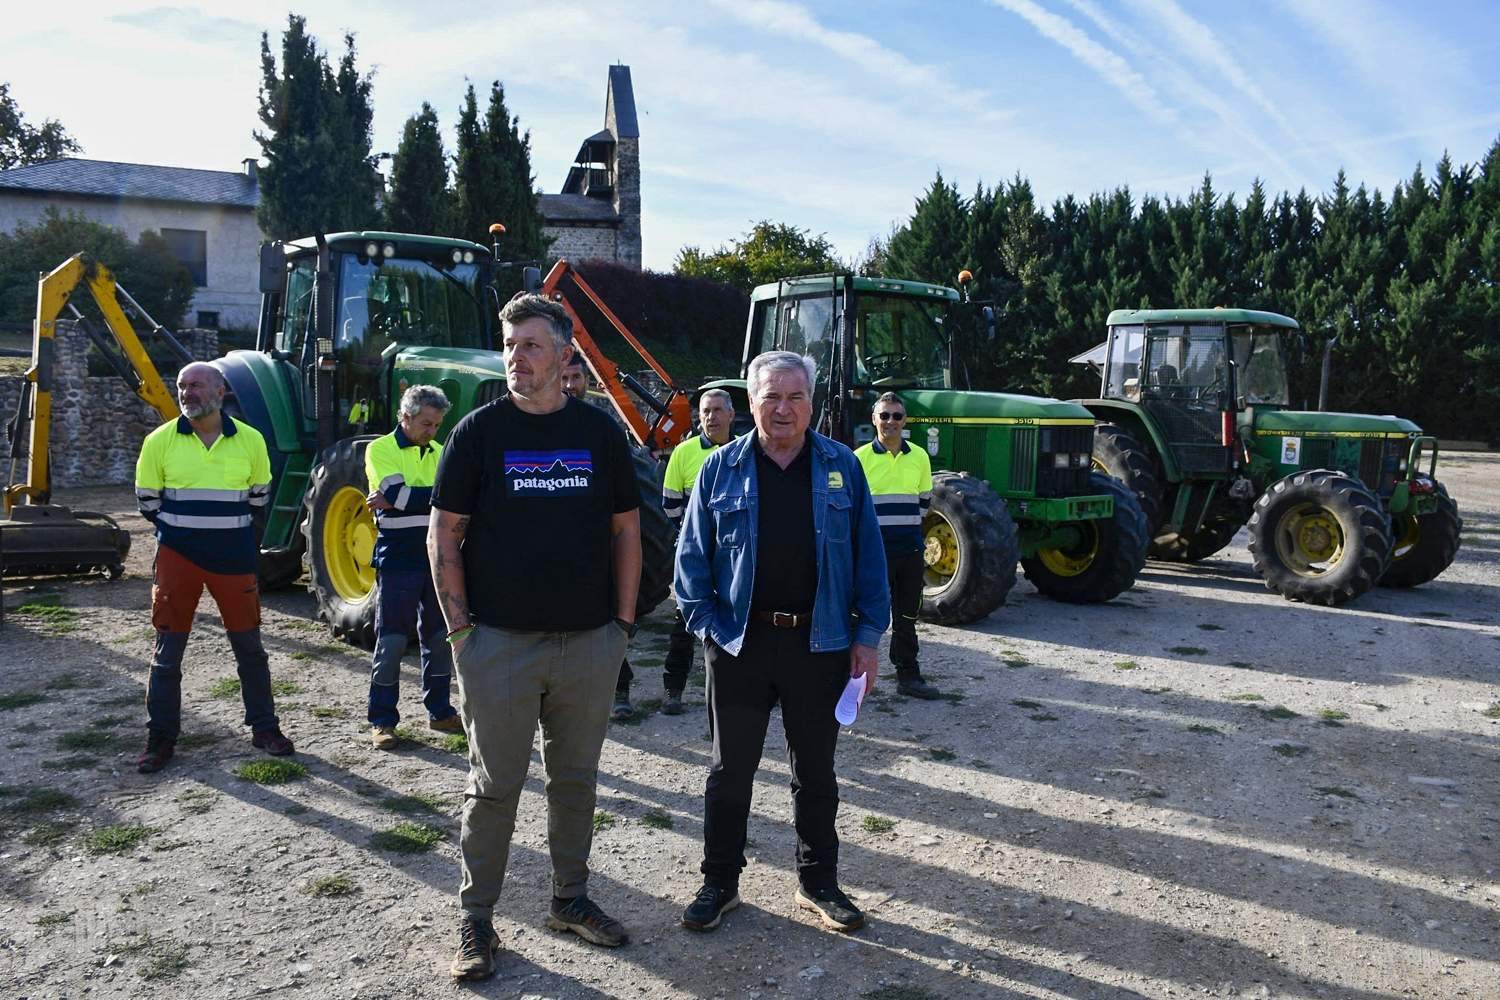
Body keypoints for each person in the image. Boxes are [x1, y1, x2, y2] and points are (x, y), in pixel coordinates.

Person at [429, 293, 641, 981]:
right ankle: (477, 918)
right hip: (499, 645)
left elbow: (627, 532)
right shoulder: (478, 434)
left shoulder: (601, 434)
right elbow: (444, 537)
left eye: (530, 346)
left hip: (588, 643)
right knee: (494, 785)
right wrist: (462, 633)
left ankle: (570, 900)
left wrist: (623, 626)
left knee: (576, 781)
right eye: (510, 345)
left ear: (564, 356)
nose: (516, 359)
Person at [674, 350, 889, 935]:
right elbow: (690, 563)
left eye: (796, 397)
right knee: (728, 772)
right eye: (772, 396)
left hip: (819, 646)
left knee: (816, 773)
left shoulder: (842, 466)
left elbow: (871, 560)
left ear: (812, 403)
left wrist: (867, 640)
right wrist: (712, 631)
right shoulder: (720, 469)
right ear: (752, 402)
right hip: (740, 645)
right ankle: (719, 882)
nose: (784, 408)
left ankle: (818, 882)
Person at [133, 362, 294, 773]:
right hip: (177, 558)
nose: (187, 392)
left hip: (234, 558)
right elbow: (147, 502)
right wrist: (186, 535)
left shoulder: (251, 440)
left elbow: (260, 497)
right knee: (168, 653)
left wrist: (223, 533)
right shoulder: (159, 440)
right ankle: (160, 738)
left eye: (197, 385)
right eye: (182, 385)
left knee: (250, 649)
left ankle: (264, 728)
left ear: (220, 392)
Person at [364, 384, 461, 750]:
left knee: (438, 637)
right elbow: (411, 498)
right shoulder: (380, 449)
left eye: (436, 425)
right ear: (404, 417)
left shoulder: (440, 451)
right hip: (399, 555)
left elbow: (450, 500)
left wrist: (401, 500)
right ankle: (382, 720)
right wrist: (415, 499)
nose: (431, 432)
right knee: (390, 640)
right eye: (425, 424)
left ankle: (439, 711)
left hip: (437, 555)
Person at [558, 351, 636, 721]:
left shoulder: (604, 427)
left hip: (597, 547)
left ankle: (618, 692)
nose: (572, 386)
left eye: (578, 378)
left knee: (609, 624)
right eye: (566, 378)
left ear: (588, 382)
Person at [854, 393, 940, 700]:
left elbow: (925, 502)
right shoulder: (860, 458)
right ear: (874, 419)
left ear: (905, 421)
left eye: (897, 416)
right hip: (873, 555)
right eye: (885, 416)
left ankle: (908, 676)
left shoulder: (919, 456)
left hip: (909, 552)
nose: (891, 422)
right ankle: (851, 679)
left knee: (906, 616)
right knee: (862, 616)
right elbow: (854, 507)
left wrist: (902, 528)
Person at [657, 388, 735, 715]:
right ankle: (673, 690)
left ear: (731, 414)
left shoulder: (744, 451)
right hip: (696, 555)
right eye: (705, 411)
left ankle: (737, 691)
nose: (711, 417)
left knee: (735, 621)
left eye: (718, 410)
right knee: (684, 621)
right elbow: (671, 504)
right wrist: (693, 538)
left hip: (733, 556)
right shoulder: (684, 453)